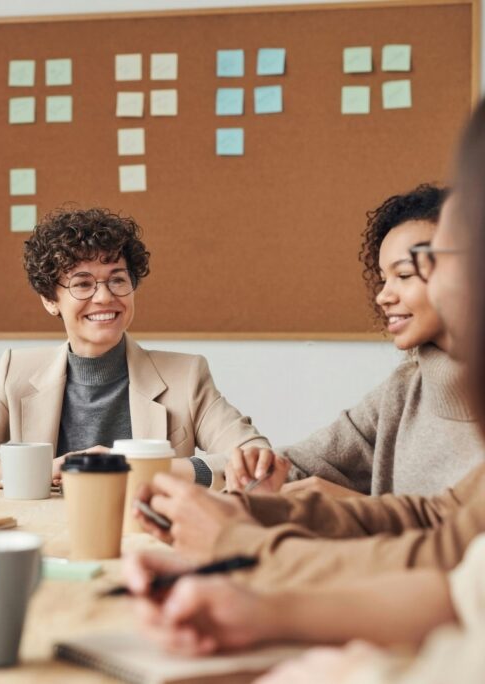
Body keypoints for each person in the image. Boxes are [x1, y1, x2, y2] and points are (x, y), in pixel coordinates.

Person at [124, 99, 485, 683]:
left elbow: (445, 557)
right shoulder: (408, 383)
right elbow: (441, 520)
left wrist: (240, 542)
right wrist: (248, 514)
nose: (392, 293)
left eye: (433, 263)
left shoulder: (188, 370)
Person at [0, 207, 270, 490]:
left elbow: (256, 458)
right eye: (82, 283)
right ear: (50, 300)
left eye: (117, 279)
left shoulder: (186, 375)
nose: (105, 296)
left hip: (147, 536)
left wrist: (140, 469)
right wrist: (36, 471)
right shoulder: (18, 373)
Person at [226, 184, 481, 498]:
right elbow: (301, 465)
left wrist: (348, 504)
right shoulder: (403, 389)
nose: (383, 296)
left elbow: (461, 536)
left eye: (403, 276)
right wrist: (261, 470)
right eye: (383, 278)